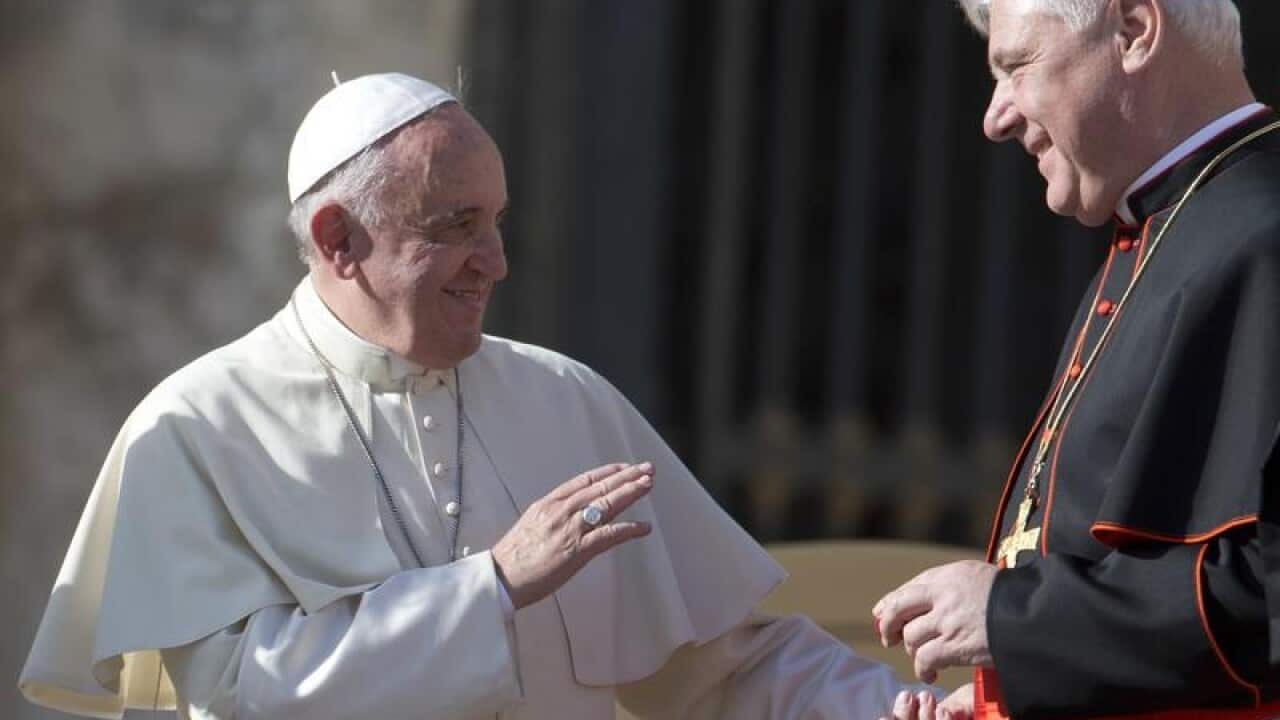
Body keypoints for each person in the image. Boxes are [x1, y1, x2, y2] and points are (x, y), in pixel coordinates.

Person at [19, 72, 923, 720]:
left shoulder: (566, 401)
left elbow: (723, 668)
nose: (496, 262)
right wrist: (489, 588)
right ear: (339, 240)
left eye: (497, 223)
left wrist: (902, 708)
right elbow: (235, 694)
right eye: (457, 228)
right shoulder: (197, 427)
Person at [872, 1, 1280, 718]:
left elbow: (1264, 597)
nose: (995, 118)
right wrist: (1018, 697)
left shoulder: (1264, 234)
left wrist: (1013, 621)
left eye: (1016, 67)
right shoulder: (1152, 240)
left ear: (1133, 31)